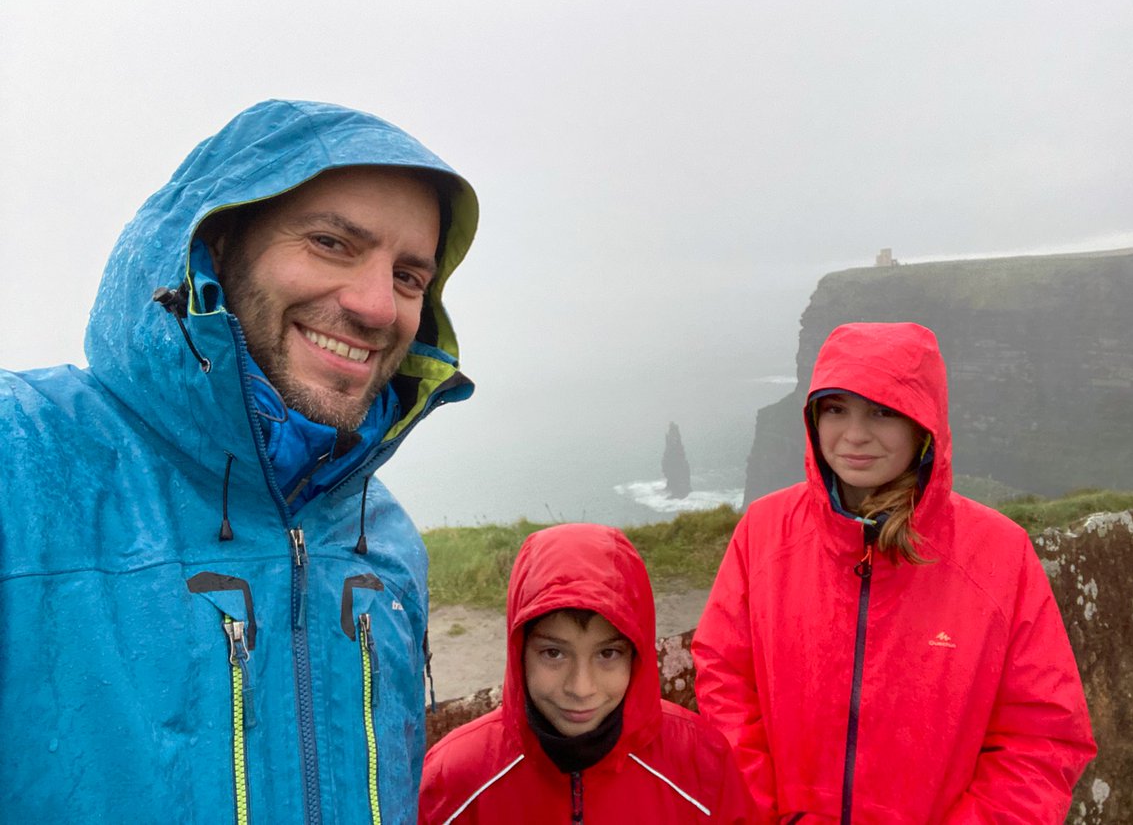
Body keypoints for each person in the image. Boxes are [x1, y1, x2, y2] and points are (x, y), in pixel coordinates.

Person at [0, 99, 479, 822]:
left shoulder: (385, 540)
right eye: (331, 242)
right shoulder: (25, 464)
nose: (379, 307)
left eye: (410, 277)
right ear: (217, 245)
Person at [692, 321, 1096, 823]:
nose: (855, 435)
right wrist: (762, 814)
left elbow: (1043, 737)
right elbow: (725, 682)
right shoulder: (764, 530)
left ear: (923, 424)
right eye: (835, 409)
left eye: (883, 411)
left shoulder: (999, 553)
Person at [418, 522, 755, 824]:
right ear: (519, 651)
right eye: (553, 653)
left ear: (635, 655)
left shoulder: (702, 765)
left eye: (607, 653)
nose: (581, 688)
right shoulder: (453, 781)